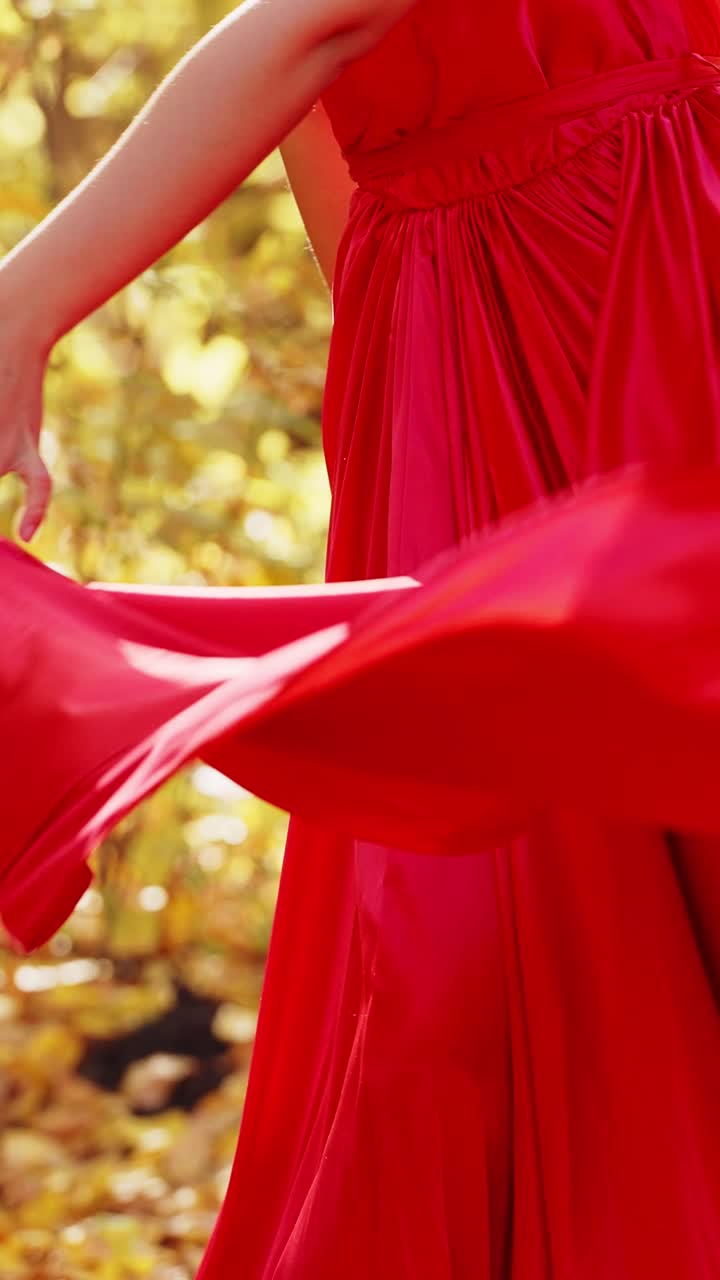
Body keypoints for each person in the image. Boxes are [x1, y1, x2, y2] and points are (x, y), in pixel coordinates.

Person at [4, 1, 720, 1277]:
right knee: (474, 938)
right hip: (478, 312)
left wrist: (24, 301)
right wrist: (408, 341)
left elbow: (323, 25)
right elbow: (333, 91)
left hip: (633, 276)